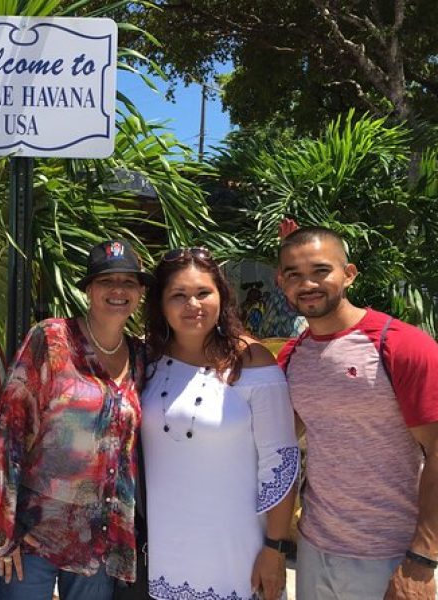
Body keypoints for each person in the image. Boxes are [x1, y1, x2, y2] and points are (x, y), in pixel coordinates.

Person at [0, 239, 154, 600]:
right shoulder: (52, 340)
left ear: (140, 292)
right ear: (89, 289)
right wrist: (1, 530)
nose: (118, 290)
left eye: (129, 282)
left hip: (99, 541)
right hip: (33, 536)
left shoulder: (140, 357)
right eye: (107, 281)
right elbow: (7, 433)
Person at [276, 226, 438, 600]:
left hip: (389, 556)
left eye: (320, 271)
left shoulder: (401, 345)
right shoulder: (292, 356)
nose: (308, 284)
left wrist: (423, 557)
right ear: (281, 282)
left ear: (349, 274)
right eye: (294, 274)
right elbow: (280, 444)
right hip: (314, 550)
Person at [141, 247, 299, 600]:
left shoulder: (253, 362)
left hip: (236, 552)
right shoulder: (146, 359)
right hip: (167, 553)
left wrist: (274, 549)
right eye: (178, 295)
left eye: (203, 293)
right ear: (161, 304)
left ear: (221, 297)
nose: (192, 305)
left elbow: (282, 464)